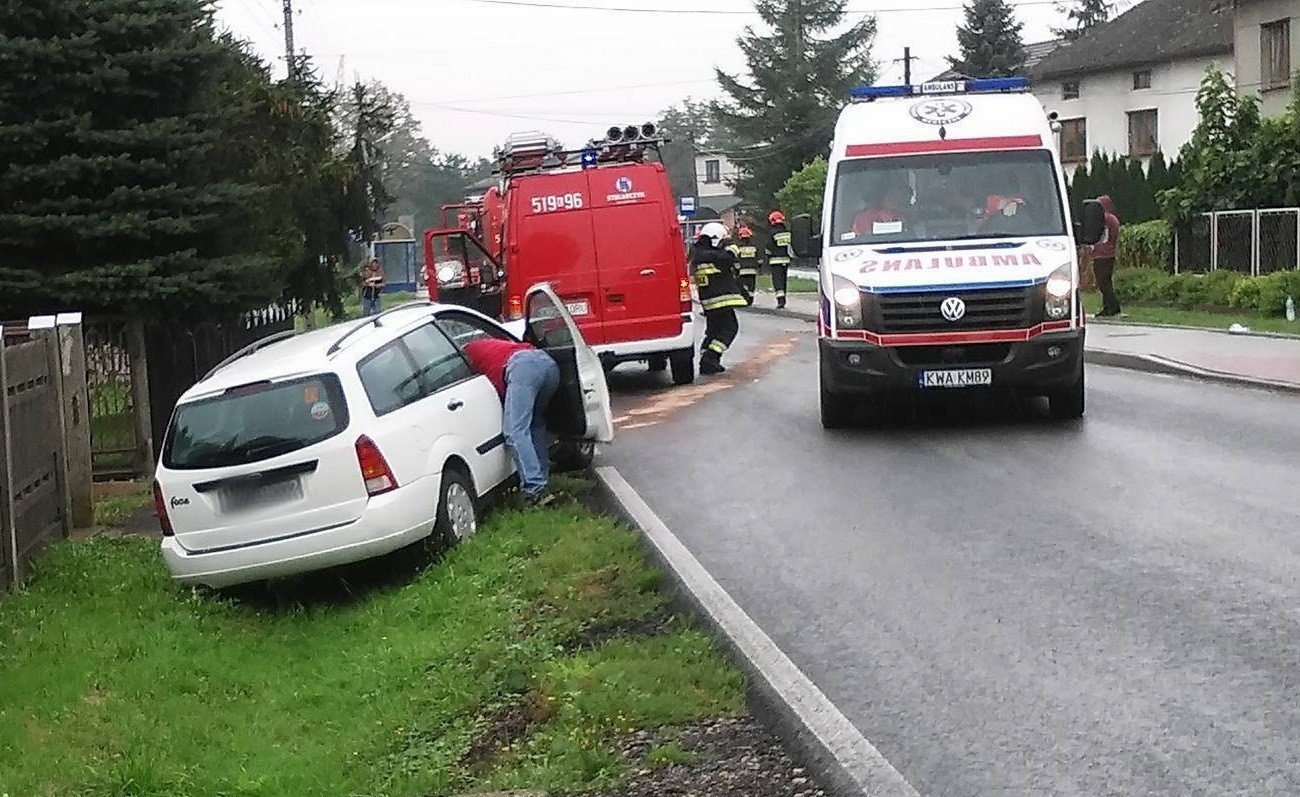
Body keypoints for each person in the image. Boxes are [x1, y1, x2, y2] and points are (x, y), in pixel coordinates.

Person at [461, 337, 560, 506]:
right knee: (535, 424)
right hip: (547, 364)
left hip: (522, 368)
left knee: (515, 431)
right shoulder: (484, 345)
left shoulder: (462, 356)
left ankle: (535, 490)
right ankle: (542, 480)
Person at [691, 222, 747, 375]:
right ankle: (711, 357)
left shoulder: (699, 254)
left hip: (709, 303)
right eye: (722, 241)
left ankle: (706, 360)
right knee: (730, 328)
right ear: (715, 239)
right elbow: (726, 259)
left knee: (713, 331)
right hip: (720, 300)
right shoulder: (711, 256)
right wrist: (733, 250)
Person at [1092, 194, 1123, 318]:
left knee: (1103, 283)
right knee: (1105, 282)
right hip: (1108, 254)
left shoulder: (1105, 219)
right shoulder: (1113, 219)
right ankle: (1107, 308)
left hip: (1102, 255)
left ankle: (1114, 307)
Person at [728, 226, 761, 305]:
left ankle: (745, 297)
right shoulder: (754, 246)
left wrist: (735, 269)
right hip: (752, 271)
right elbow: (758, 259)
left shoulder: (738, 247)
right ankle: (750, 298)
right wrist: (758, 267)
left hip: (742, 271)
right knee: (752, 285)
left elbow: (735, 259)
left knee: (742, 285)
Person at [766, 211, 792, 309]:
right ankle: (783, 297)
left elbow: (768, 248)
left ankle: (780, 300)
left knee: (777, 281)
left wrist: (768, 256)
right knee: (783, 279)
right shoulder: (788, 233)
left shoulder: (772, 233)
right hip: (786, 260)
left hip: (775, 261)